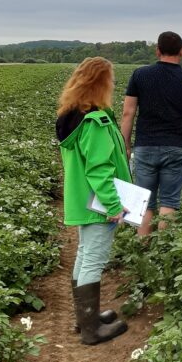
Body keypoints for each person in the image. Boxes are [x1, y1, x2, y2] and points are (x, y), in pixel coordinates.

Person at [56, 57, 129, 345]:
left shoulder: (72, 116)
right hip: (98, 203)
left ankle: (86, 318)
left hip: (81, 198)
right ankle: (91, 330)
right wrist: (113, 205)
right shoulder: (96, 121)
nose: (112, 84)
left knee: (85, 253)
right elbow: (99, 169)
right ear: (99, 83)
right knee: (94, 258)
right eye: (110, 79)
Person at [121, 31, 182, 237]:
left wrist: (126, 144)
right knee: (169, 201)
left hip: (145, 145)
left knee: (145, 201)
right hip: (176, 146)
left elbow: (128, 112)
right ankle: (163, 249)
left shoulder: (140, 75)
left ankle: (142, 246)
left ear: (157, 50)